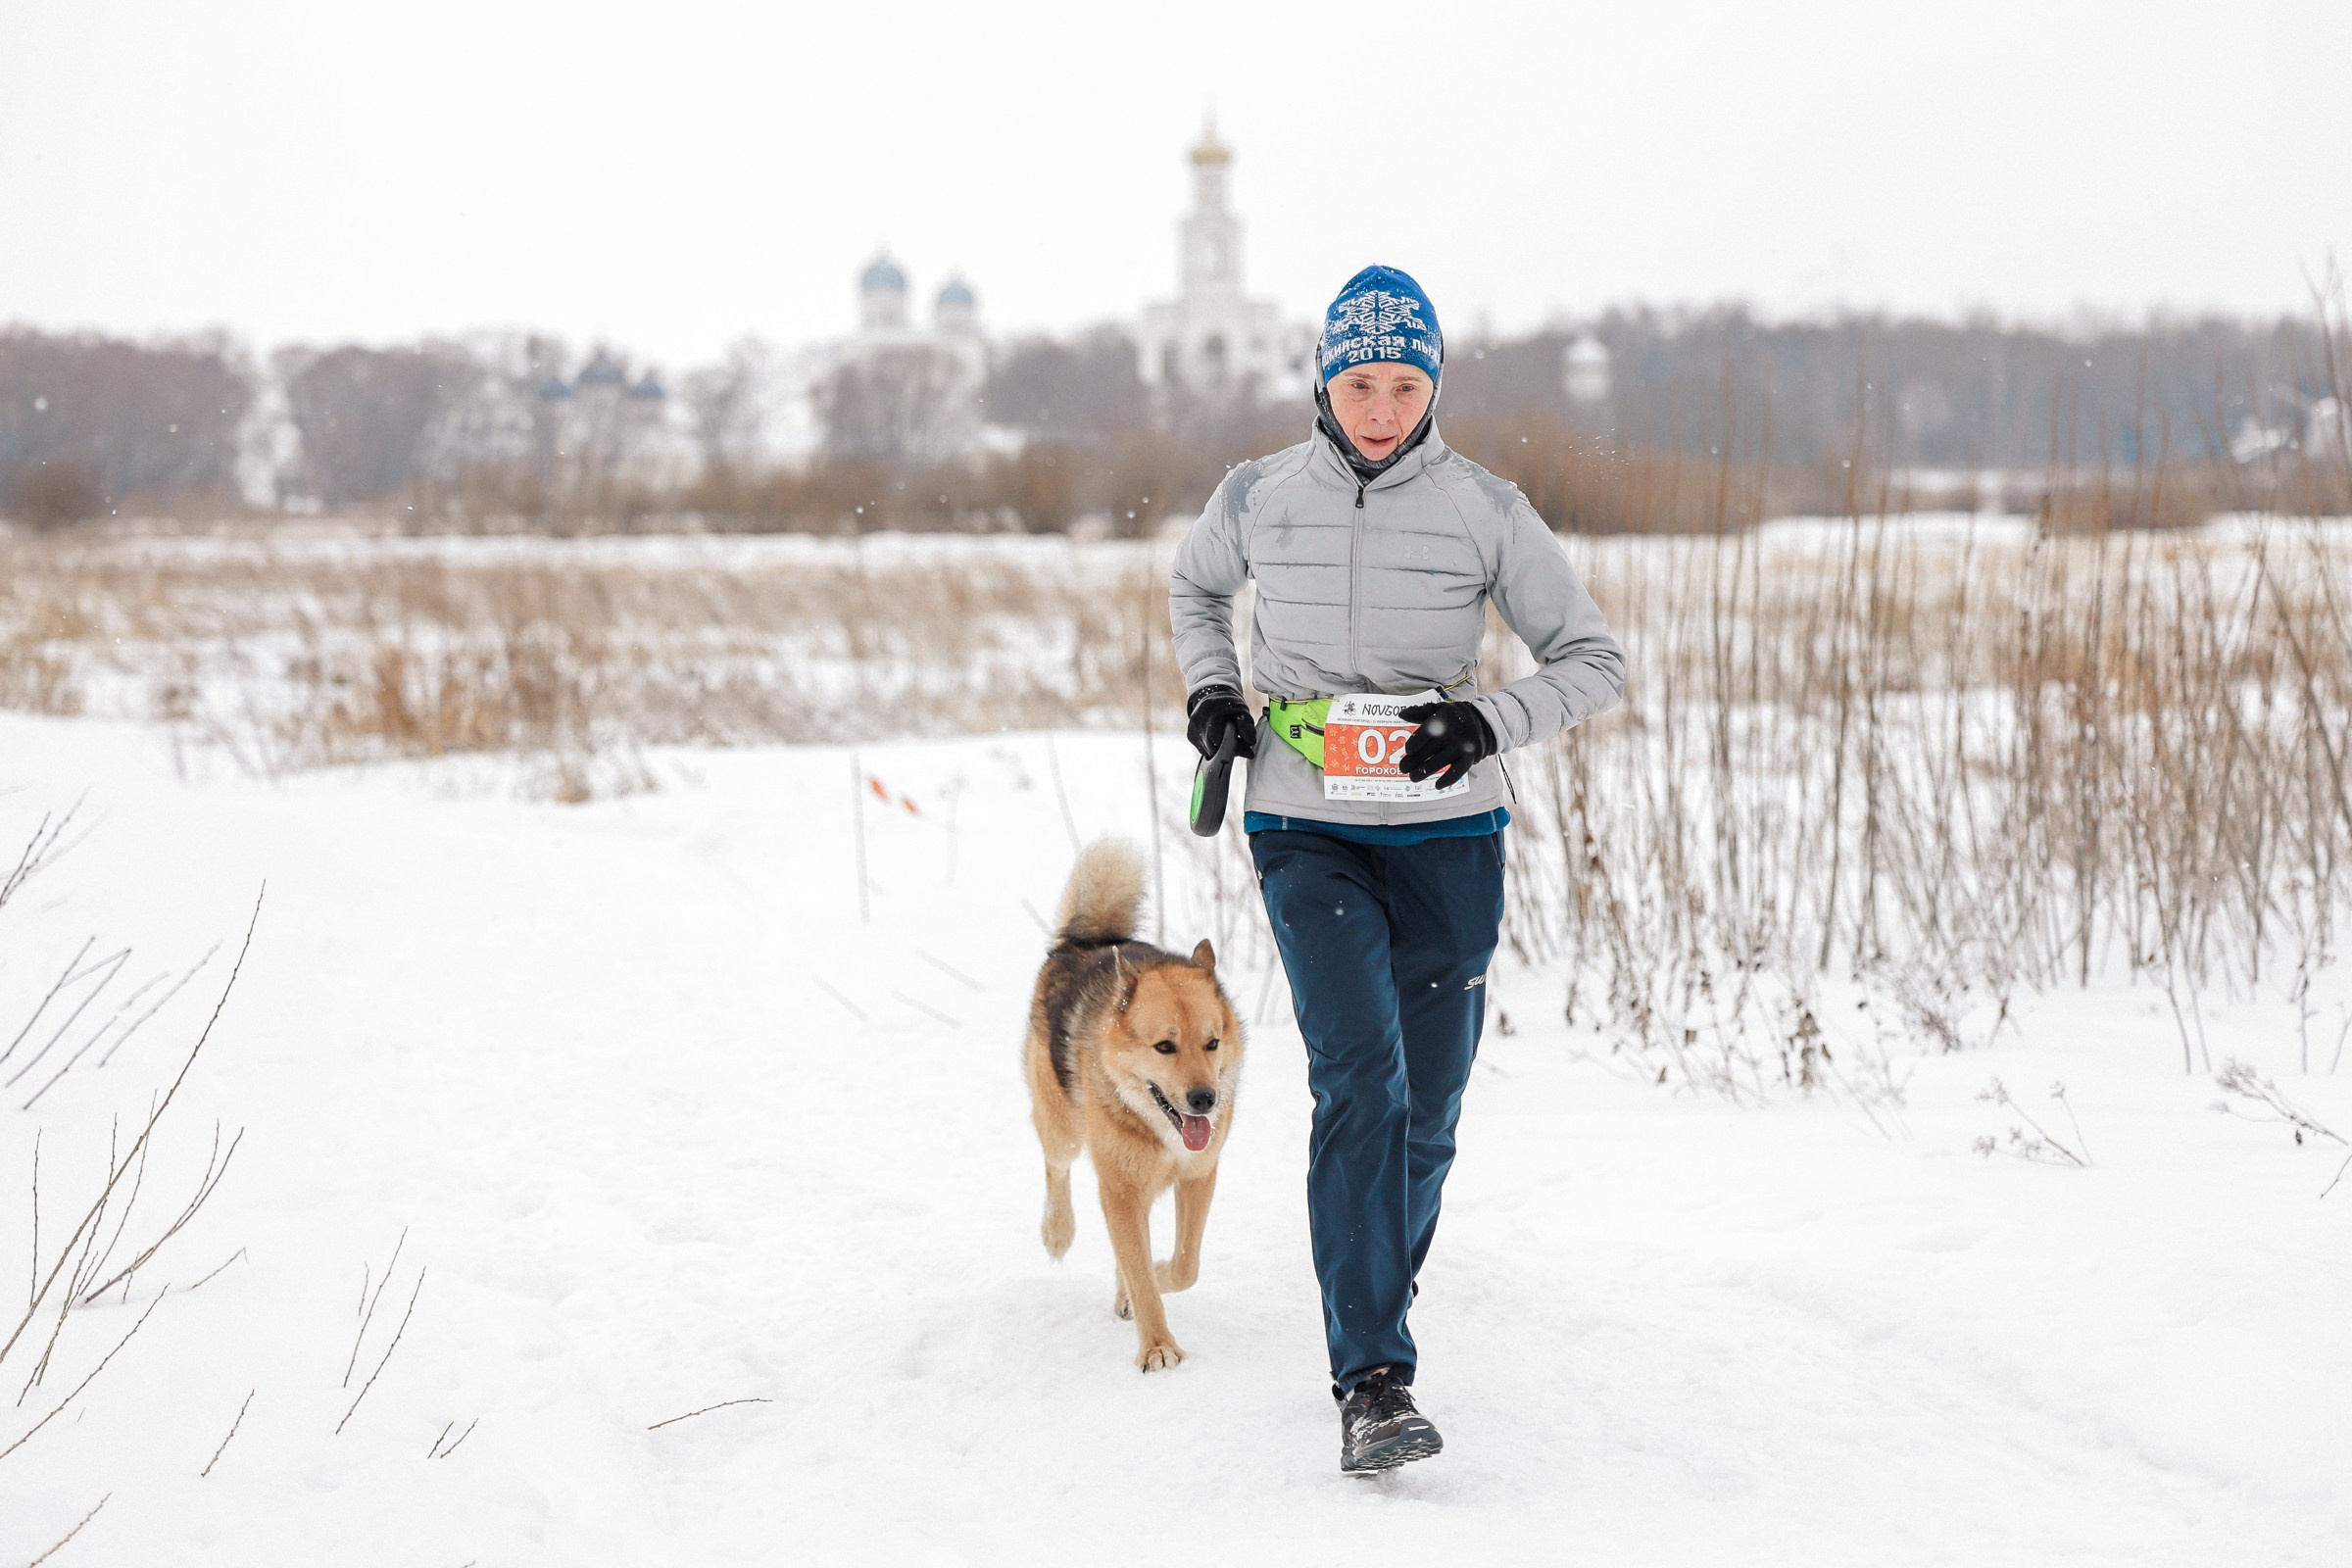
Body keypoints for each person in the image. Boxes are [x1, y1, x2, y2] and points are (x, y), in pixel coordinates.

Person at [1168, 265, 1625, 1473]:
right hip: (1304, 827)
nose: (1380, 408)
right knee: (1360, 1078)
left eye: (1404, 383)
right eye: (1360, 382)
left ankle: (1370, 1280)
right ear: (1325, 378)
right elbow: (1195, 588)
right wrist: (1215, 692)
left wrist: (1491, 723)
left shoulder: (1487, 507)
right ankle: (1373, 1375)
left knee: (1426, 1112)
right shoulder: (1258, 494)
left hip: (1448, 839)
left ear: (1433, 385)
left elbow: (1592, 658)